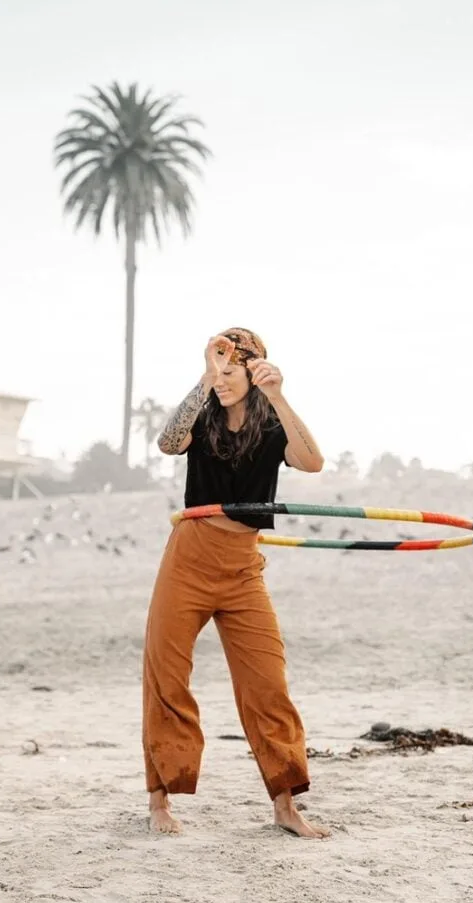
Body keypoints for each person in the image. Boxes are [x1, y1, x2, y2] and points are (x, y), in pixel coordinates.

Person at [143, 327, 331, 839]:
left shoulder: (273, 427)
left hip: (243, 565)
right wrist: (205, 379)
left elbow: (312, 462)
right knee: (167, 678)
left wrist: (278, 394)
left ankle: (285, 806)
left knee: (267, 685)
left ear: (254, 370)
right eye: (216, 369)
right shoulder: (200, 418)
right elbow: (166, 443)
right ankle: (160, 800)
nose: (222, 380)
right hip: (189, 557)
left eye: (231, 371)